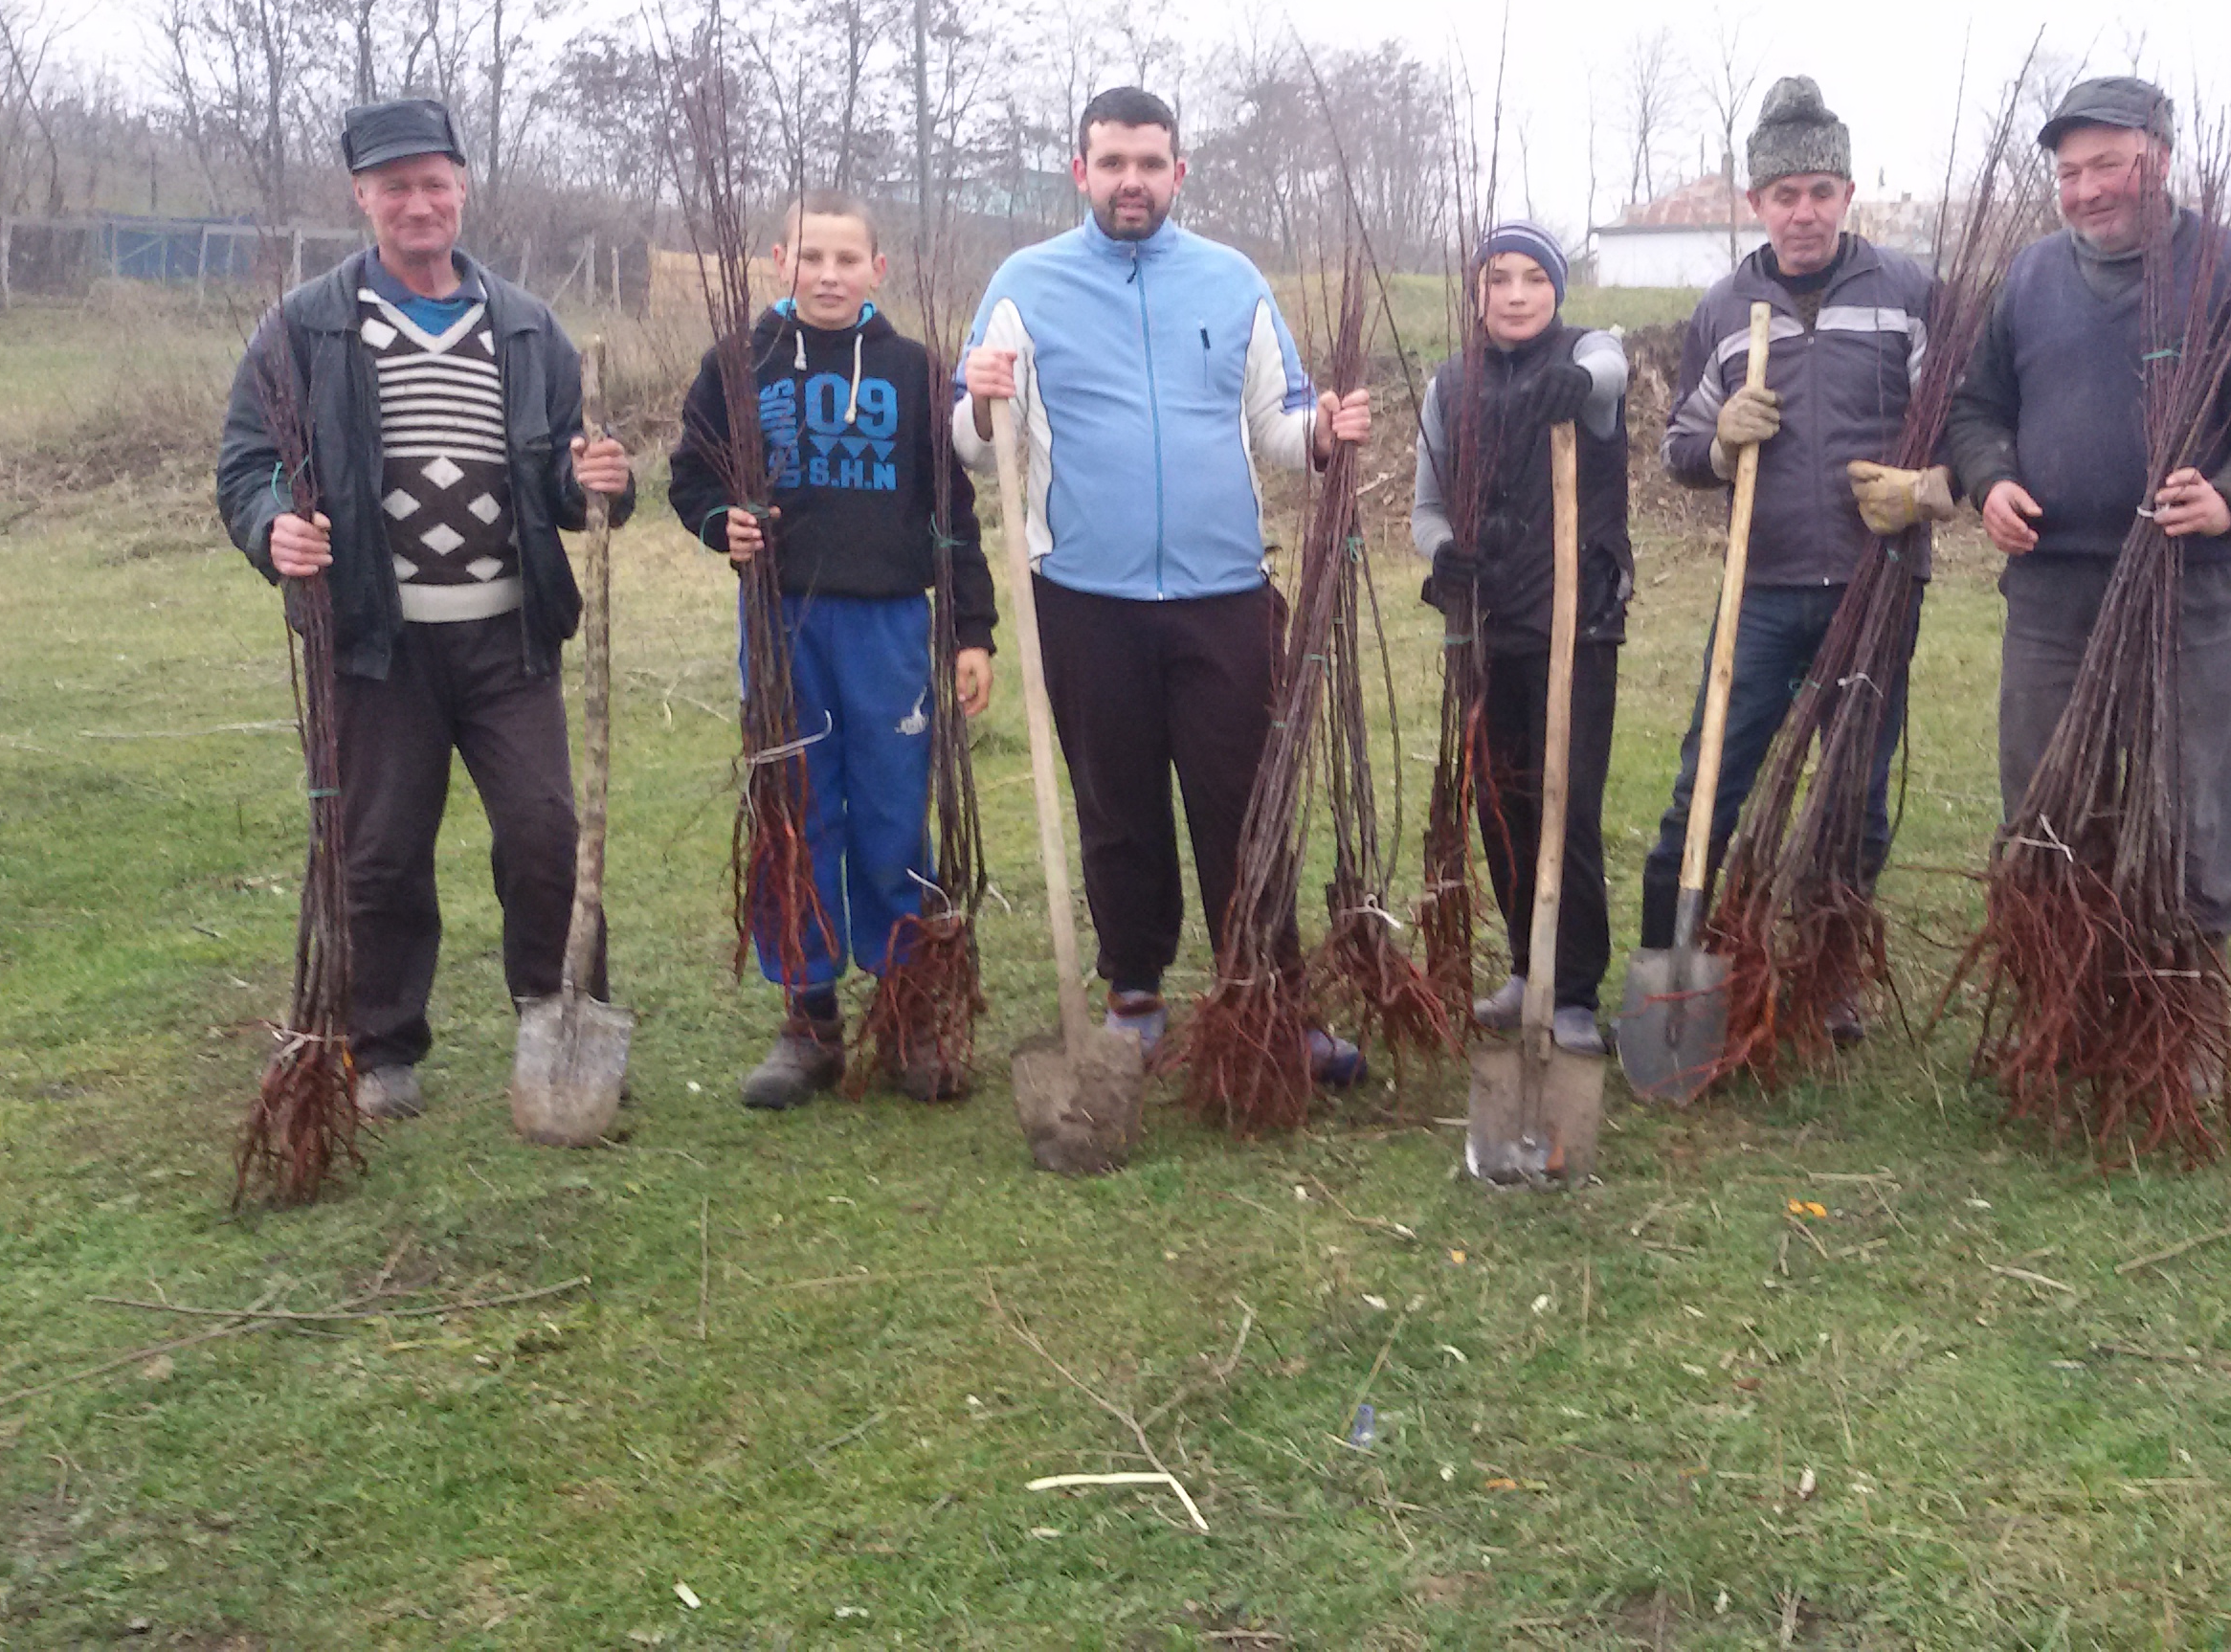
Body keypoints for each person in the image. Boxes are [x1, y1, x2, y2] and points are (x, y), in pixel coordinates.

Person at [215, 98, 634, 1120]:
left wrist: (602, 483)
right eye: (395, 187)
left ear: (462, 190)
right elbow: (244, 466)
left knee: (545, 832)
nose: (418, 204)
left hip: (509, 633)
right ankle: (383, 1046)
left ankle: (557, 1018)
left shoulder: (528, 326)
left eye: (435, 183)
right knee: (381, 848)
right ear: (362, 197)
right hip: (374, 640)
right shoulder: (305, 325)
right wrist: (274, 525)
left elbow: (563, 481)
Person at [954, 86, 1373, 1083]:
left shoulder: (1232, 282)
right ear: (1081, 171)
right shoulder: (1026, 283)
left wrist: (1320, 433)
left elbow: (1280, 422)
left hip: (1222, 592)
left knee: (1242, 798)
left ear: (1178, 172)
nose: (1131, 181)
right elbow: (972, 443)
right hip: (1083, 595)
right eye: (1112, 163)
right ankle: (1134, 993)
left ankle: (1267, 999)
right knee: (1117, 804)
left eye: (1150, 163)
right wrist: (978, 399)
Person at [1945, 76, 2231, 939]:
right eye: (2070, 173)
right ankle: (2065, 984)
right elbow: (1976, 408)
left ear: (2160, 160)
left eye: (2107, 165)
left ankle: (2178, 997)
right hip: (2050, 593)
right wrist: (1990, 479)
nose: (2087, 190)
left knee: (2189, 802)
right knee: (2047, 798)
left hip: (2183, 589)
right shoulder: (2031, 274)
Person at [666, 191, 999, 1108]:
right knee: (795, 809)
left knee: (894, 813)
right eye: (811, 257)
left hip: (889, 624)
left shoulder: (913, 368)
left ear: (876, 271)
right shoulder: (738, 364)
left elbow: (952, 513)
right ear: (781, 261)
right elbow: (689, 476)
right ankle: (807, 1019)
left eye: (847, 260)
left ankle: (908, 1014)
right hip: (783, 627)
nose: (828, 274)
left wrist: (973, 631)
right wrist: (716, 524)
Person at [1647, 76, 1947, 1042]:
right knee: (1709, 788)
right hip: (1762, 593)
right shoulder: (1725, 310)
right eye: (1785, 195)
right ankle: (1677, 975)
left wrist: (1929, 489)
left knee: (1853, 798)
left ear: (1848, 194)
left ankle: (1829, 977)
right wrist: (1723, 441)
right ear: (1756, 205)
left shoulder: (1907, 293)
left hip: (1874, 587)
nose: (1804, 212)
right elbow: (1677, 447)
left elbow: (1968, 431)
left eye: (1821, 190)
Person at [1410, 222, 1630, 1057]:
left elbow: (1613, 366)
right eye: (1497, 278)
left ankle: (1571, 990)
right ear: (1477, 290)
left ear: (1556, 290)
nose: (1514, 294)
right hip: (1487, 626)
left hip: (1577, 621)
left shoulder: (1589, 355)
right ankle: (1525, 966)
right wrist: (1444, 553)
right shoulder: (1452, 382)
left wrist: (1574, 382)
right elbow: (1426, 508)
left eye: (1533, 279)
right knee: (1499, 800)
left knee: (1565, 804)